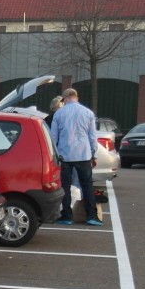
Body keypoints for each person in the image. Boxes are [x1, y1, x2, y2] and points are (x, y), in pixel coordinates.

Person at [49, 88, 102, 226]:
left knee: (65, 186)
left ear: (65, 99)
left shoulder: (59, 114)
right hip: (83, 154)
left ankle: (66, 215)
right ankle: (91, 216)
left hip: (64, 155)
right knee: (87, 185)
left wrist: (53, 155)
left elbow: (54, 136)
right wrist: (94, 154)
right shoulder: (88, 113)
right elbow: (92, 136)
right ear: (76, 97)